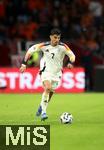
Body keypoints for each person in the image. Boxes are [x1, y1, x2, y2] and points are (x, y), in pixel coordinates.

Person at [20, 28, 75, 121]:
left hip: (57, 73)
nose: (57, 40)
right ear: (50, 37)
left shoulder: (63, 46)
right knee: (48, 88)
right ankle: (44, 113)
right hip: (46, 71)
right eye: (55, 37)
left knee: (50, 93)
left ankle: (41, 106)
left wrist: (70, 62)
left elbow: (72, 56)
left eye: (58, 38)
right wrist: (24, 64)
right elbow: (30, 50)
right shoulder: (44, 45)